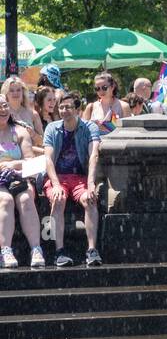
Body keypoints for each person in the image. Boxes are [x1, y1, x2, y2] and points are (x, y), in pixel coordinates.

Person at [42, 91, 103, 267]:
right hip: (57, 177)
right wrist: (55, 184)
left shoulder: (89, 127)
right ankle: (59, 251)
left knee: (90, 200)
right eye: (61, 107)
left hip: (79, 178)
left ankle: (92, 250)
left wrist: (91, 183)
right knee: (58, 198)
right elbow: (48, 159)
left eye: (68, 107)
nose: (64, 110)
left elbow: (94, 156)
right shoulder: (52, 128)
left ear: (77, 109)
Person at [0, 99, 49, 268]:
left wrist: (13, 165)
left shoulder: (20, 131)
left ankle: (36, 248)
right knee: (5, 200)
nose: (2, 109)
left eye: (5, 105)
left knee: (25, 199)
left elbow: (29, 160)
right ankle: (6, 250)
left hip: (19, 176)